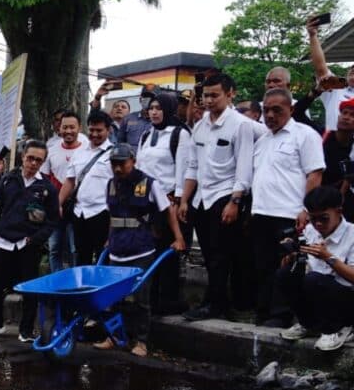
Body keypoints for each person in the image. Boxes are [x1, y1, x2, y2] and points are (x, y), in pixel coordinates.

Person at [178, 73, 258, 321]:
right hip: (201, 198)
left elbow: (244, 168)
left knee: (223, 255)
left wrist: (235, 202)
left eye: (215, 95)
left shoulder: (240, 124)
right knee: (209, 254)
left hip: (225, 197)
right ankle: (214, 301)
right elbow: (193, 166)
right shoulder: (199, 125)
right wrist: (184, 200)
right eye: (206, 96)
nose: (209, 100)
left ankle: (217, 305)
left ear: (230, 94)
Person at [93, 144, 183, 357]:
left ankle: (141, 342)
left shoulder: (149, 184)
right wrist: (108, 239)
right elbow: (112, 216)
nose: (117, 168)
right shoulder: (111, 185)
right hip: (117, 249)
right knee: (113, 298)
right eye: (114, 164)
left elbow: (168, 211)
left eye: (121, 163)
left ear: (133, 161)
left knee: (140, 298)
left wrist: (179, 238)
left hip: (140, 250)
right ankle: (113, 337)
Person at [250, 88, 324, 326]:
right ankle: (263, 311)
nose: (270, 115)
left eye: (276, 110)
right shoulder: (262, 140)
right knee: (262, 266)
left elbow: (314, 173)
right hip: (261, 212)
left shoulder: (305, 135)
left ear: (291, 110)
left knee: (286, 266)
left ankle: (281, 315)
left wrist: (307, 209)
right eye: (266, 110)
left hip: (289, 214)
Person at [0, 140, 59, 341]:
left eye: (38, 160)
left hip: (28, 245)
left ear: (43, 162)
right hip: (4, 242)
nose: (33, 163)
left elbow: (52, 220)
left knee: (29, 290)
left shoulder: (47, 187)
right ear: (23, 156)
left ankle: (26, 330)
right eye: (30, 158)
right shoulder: (7, 180)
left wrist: (36, 239)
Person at [276, 186, 354, 351]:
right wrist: (291, 258)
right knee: (285, 275)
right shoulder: (310, 231)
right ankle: (308, 324)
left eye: (324, 218)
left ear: (339, 211)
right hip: (318, 293)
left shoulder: (352, 234)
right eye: (313, 218)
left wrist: (329, 258)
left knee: (314, 280)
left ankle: (339, 328)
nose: (318, 223)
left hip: (346, 298)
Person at [136, 92, 192, 315]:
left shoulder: (180, 134)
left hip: (169, 201)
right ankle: (150, 298)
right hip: (147, 203)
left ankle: (167, 300)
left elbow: (183, 169)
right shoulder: (145, 135)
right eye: (151, 108)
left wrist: (179, 201)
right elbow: (140, 169)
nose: (154, 112)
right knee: (149, 252)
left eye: (159, 108)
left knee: (168, 254)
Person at [59, 110, 115, 266]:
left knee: (103, 257)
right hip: (79, 213)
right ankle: (82, 288)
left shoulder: (114, 154)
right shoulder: (79, 153)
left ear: (108, 130)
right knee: (81, 256)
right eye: (91, 130)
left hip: (102, 213)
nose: (95, 134)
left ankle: (101, 289)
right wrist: (58, 203)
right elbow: (70, 181)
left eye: (99, 130)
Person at [42, 112, 85, 271]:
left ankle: (75, 283)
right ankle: (56, 283)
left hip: (78, 206)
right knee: (54, 248)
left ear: (79, 128)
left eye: (72, 127)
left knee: (75, 248)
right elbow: (45, 177)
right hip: (55, 206)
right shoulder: (51, 149)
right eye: (64, 127)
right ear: (59, 128)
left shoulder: (86, 147)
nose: (68, 131)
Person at [308, 17, 354, 131]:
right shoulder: (336, 90)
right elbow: (320, 69)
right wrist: (313, 36)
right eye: (352, 67)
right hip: (332, 147)